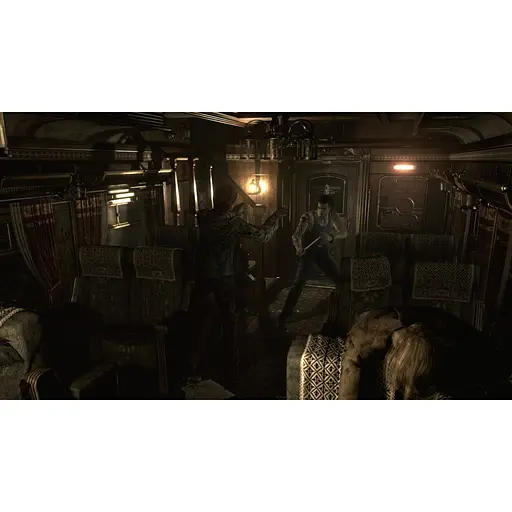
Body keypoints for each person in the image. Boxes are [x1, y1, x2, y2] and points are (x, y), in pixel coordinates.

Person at [189, 183, 287, 386]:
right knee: (229, 321)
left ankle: (192, 367)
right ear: (232, 201)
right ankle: (232, 369)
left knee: (198, 321)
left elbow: (213, 218)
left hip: (202, 276)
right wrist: (275, 217)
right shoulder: (234, 223)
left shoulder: (203, 217)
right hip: (224, 276)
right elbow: (262, 235)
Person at [278, 194, 350, 328]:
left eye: (324, 209)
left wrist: (331, 237)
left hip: (323, 254)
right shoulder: (308, 217)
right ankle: (285, 314)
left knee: (338, 279)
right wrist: (299, 248)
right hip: (308, 254)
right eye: (319, 208)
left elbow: (344, 232)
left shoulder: (333, 216)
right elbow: (296, 236)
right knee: (298, 284)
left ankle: (345, 308)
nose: (321, 211)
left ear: (330, 208)